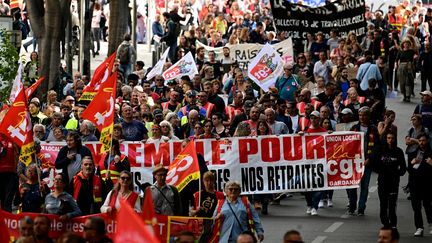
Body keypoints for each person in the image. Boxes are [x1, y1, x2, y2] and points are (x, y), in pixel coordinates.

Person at [347, 106, 380, 216]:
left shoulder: (373, 129)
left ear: (368, 116)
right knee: (352, 186)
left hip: (367, 163)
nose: (361, 117)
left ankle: (361, 208)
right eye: (360, 115)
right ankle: (352, 206)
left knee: (364, 186)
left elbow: (377, 146)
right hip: (354, 163)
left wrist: (369, 158)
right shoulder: (354, 128)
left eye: (364, 115)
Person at [373, 132, 406, 228]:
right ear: (386, 139)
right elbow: (374, 164)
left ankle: (393, 222)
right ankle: (385, 222)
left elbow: (403, 167)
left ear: (394, 139)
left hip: (393, 182)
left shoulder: (398, 151)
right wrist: (380, 171)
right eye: (388, 138)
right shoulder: (381, 150)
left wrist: (397, 174)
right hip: (383, 181)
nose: (390, 140)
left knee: (392, 204)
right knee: (383, 203)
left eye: (392, 138)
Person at [407, 133, 432, 237]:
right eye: (420, 140)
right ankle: (419, 227)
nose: (421, 142)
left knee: (427, 205)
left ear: (427, 141)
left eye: (423, 140)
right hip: (415, 184)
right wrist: (412, 163)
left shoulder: (431, 153)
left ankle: (431, 224)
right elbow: (408, 169)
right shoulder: (414, 152)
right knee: (416, 207)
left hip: (427, 184)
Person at [0, 133, 20, 212]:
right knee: (2, 198)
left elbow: (17, 154)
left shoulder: (13, 137)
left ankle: (7, 220)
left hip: (11, 174)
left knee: (8, 200)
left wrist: (16, 171)